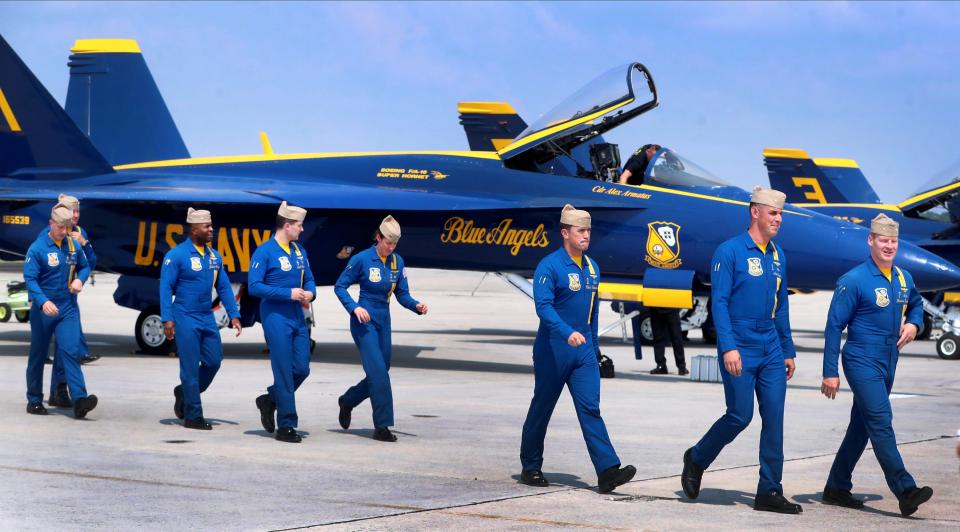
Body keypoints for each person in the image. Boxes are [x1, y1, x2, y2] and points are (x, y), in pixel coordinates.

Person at [681, 186, 802, 514]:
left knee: (774, 418)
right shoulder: (730, 251)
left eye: (780, 214)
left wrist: (788, 349)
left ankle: (769, 490)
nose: (778, 219)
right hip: (741, 347)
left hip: (772, 349)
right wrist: (729, 347)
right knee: (740, 415)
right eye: (773, 213)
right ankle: (696, 457)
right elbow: (718, 302)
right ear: (755, 212)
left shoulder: (778, 256)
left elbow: (782, 306)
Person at [820, 213, 933, 516]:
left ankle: (836, 486)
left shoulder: (902, 277)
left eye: (893, 241)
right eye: (883, 240)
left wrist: (915, 324)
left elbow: (918, 304)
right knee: (881, 420)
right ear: (870, 240)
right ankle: (905, 489)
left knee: (862, 426)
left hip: (888, 359)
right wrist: (830, 372)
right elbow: (833, 326)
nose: (889, 246)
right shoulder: (854, 280)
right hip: (861, 358)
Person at [519, 204, 636, 494]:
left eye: (588, 230)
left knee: (590, 408)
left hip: (583, 350)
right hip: (553, 348)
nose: (586, 236)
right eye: (580, 231)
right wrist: (565, 332)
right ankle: (531, 465)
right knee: (542, 407)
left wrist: (595, 350)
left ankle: (607, 470)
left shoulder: (592, 267)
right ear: (565, 232)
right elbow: (543, 307)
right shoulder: (550, 266)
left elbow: (592, 313)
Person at [334, 215, 428, 442]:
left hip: (383, 320)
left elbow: (402, 294)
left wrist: (416, 305)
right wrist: (354, 308)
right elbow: (340, 286)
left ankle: (348, 400)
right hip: (363, 320)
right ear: (378, 238)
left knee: (381, 371)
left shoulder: (397, 262)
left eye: (394, 244)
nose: (390, 247)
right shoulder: (361, 259)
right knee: (378, 374)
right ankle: (382, 426)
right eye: (387, 242)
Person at [159, 208, 242, 430]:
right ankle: (193, 415)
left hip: (206, 316)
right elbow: (165, 288)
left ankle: (184, 392)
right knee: (189, 366)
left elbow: (223, 287)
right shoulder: (176, 256)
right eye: (207, 226)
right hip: (184, 315)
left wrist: (234, 314)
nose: (211, 230)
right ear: (194, 229)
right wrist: (167, 319)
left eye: (211, 225)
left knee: (214, 361)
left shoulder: (214, 256)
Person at [23, 203, 97, 418]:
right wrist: (42, 301)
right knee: (38, 354)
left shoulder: (73, 245)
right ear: (51, 223)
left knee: (71, 351)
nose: (65, 232)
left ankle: (80, 399)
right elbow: (30, 278)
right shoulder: (37, 248)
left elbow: (85, 266)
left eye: (67, 228)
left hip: (67, 307)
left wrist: (81, 281)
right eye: (61, 227)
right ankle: (34, 399)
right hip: (45, 308)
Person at [250, 201, 315, 443]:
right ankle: (286, 425)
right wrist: (288, 293)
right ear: (287, 226)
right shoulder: (265, 252)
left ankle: (269, 400)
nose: (302, 229)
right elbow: (255, 286)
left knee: (302, 368)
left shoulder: (300, 251)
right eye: (299, 225)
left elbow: (309, 279)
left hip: (297, 317)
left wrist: (309, 293)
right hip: (275, 316)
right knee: (284, 371)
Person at [47, 194, 98, 409]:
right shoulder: (49, 235)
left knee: (67, 348)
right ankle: (45, 394)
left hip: (69, 301)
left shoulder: (79, 234)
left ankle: (61, 392)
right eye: (71, 211)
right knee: (62, 349)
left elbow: (90, 263)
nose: (75, 215)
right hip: (49, 303)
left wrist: (83, 244)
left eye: (77, 211)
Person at [648, 307, 688, 375]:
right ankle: (681, 367)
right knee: (675, 338)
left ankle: (662, 366)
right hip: (667, 306)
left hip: (659, 306)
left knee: (661, 338)